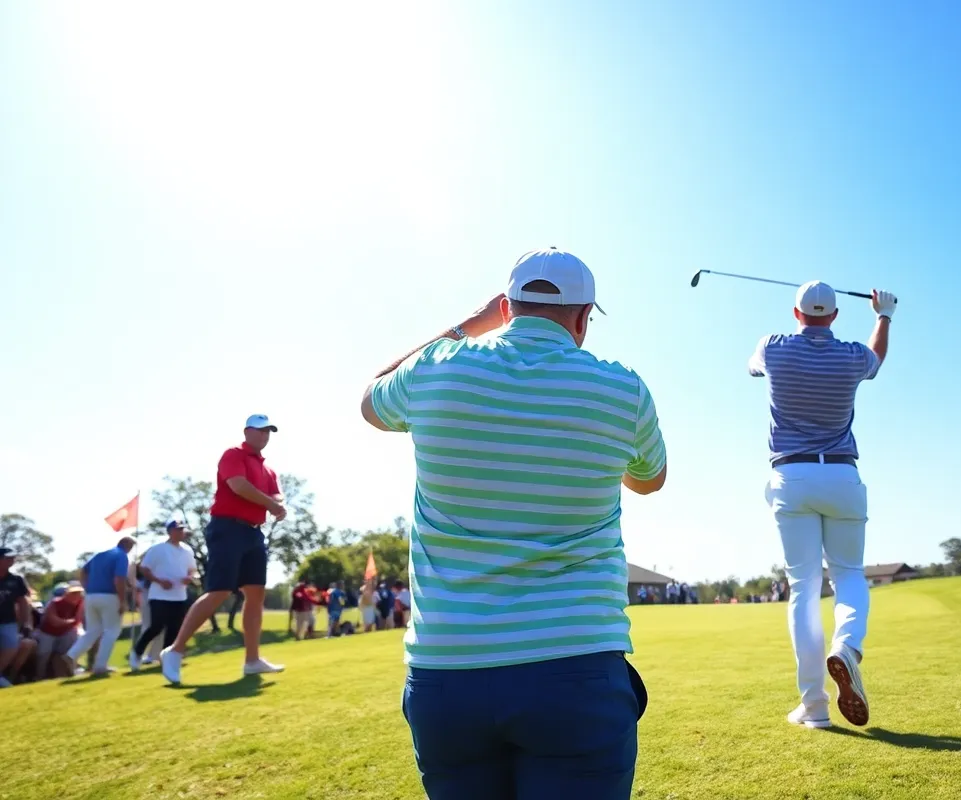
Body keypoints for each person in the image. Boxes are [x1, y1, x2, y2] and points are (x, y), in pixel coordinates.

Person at [361, 248, 667, 800]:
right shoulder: (624, 389)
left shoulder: (438, 368)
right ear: (583, 318)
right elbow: (650, 480)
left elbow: (370, 399)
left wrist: (466, 327)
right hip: (577, 669)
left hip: (447, 674)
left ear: (506, 307)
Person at [748, 280, 896, 730]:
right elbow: (877, 359)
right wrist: (883, 315)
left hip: (791, 476)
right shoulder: (852, 356)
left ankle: (814, 707)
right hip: (841, 474)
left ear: (796, 313)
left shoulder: (772, 348)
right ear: (833, 316)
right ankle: (847, 648)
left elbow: (752, 369)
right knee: (849, 574)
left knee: (804, 588)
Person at [159, 414, 287, 684]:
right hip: (226, 528)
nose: (265, 436)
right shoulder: (232, 455)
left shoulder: (268, 470)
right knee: (218, 591)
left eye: (268, 432)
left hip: (253, 532)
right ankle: (175, 650)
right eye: (260, 431)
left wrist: (277, 502)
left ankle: (252, 660)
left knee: (256, 594)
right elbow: (238, 486)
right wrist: (272, 503)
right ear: (247, 432)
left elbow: (277, 494)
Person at [129, 520, 197, 672]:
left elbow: (192, 569)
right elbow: (145, 569)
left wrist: (188, 577)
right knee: (156, 626)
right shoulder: (158, 549)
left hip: (179, 595)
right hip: (159, 595)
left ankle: (166, 659)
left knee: (174, 629)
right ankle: (137, 653)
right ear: (170, 531)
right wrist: (159, 581)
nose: (181, 532)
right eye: (178, 529)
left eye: (182, 529)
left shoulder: (187, 550)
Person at [66, 537, 135, 676]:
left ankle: (71, 655)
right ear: (127, 545)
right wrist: (123, 601)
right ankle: (100, 666)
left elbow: (83, 572)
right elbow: (119, 579)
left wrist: (87, 587)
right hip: (109, 596)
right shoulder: (121, 556)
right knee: (112, 631)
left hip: (91, 596)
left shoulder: (100, 555)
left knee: (93, 630)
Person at [33, 583, 84, 679]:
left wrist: (69, 622)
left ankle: (69, 672)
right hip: (47, 632)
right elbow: (54, 621)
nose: (76, 596)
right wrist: (70, 621)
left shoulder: (81, 602)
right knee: (43, 654)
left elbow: (78, 619)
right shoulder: (54, 603)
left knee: (67, 653)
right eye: (73, 593)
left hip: (66, 631)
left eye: (78, 593)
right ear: (67, 594)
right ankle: (39, 676)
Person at [0, 546, 35, 687]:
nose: (11, 560)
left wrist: (26, 623)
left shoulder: (16, 580)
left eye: (13, 558)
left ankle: (6, 678)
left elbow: (23, 602)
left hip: (8, 621)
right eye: (8, 558)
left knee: (12, 647)